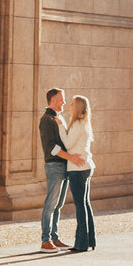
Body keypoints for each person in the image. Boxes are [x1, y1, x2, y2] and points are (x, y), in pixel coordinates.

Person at [38, 87, 71, 251]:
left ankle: (55, 237)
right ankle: (46, 240)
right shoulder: (47, 120)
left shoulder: (58, 118)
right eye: (61, 99)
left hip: (63, 165)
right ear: (53, 101)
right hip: (54, 165)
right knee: (51, 204)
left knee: (58, 204)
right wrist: (70, 157)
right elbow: (51, 147)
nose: (64, 101)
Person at [63, 94, 96, 252]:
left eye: (72, 103)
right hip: (86, 167)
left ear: (77, 108)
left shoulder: (76, 124)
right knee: (85, 204)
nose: (69, 105)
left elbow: (68, 144)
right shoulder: (85, 123)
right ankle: (90, 240)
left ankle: (81, 244)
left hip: (77, 169)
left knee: (80, 206)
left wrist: (61, 128)